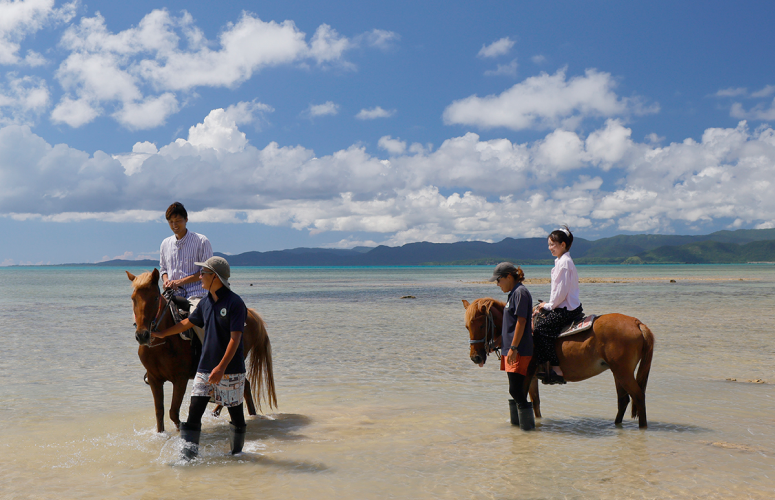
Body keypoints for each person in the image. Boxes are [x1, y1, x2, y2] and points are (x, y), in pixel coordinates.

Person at [153, 256, 248, 459]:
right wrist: (162, 334)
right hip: (205, 369)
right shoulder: (205, 302)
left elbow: (235, 339)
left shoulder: (235, 303)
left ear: (215, 277)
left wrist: (221, 368)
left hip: (230, 370)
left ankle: (237, 457)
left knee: (236, 416)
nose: (200, 276)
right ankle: (187, 459)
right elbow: (187, 323)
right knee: (194, 412)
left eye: (203, 273)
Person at [532, 225, 582, 385]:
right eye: (549, 244)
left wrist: (549, 305)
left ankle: (556, 368)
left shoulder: (564, 263)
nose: (550, 248)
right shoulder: (562, 261)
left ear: (563, 244)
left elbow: (561, 291)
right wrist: (547, 304)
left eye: (553, 244)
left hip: (566, 308)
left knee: (541, 330)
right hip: (565, 305)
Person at [489, 262, 535, 431]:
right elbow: (509, 325)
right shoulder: (513, 293)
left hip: (518, 350)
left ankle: (528, 430)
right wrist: (497, 343)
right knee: (516, 391)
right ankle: (518, 431)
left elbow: (521, 322)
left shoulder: (520, 293)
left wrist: (514, 348)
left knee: (515, 390)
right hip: (510, 349)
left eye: (498, 280)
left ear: (509, 277)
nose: (497, 284)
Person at [159, 201, 212, 342]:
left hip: (196, 294)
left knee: (196, 317)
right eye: (171, 222)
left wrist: (179, 282)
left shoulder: (201, 241)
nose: (174, 225)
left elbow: (206, 272)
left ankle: (210, 350)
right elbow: (163, 269)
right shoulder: (165, 244)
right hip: (172, 294)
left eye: (178, 221)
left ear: (186, 219)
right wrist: (166, 281)